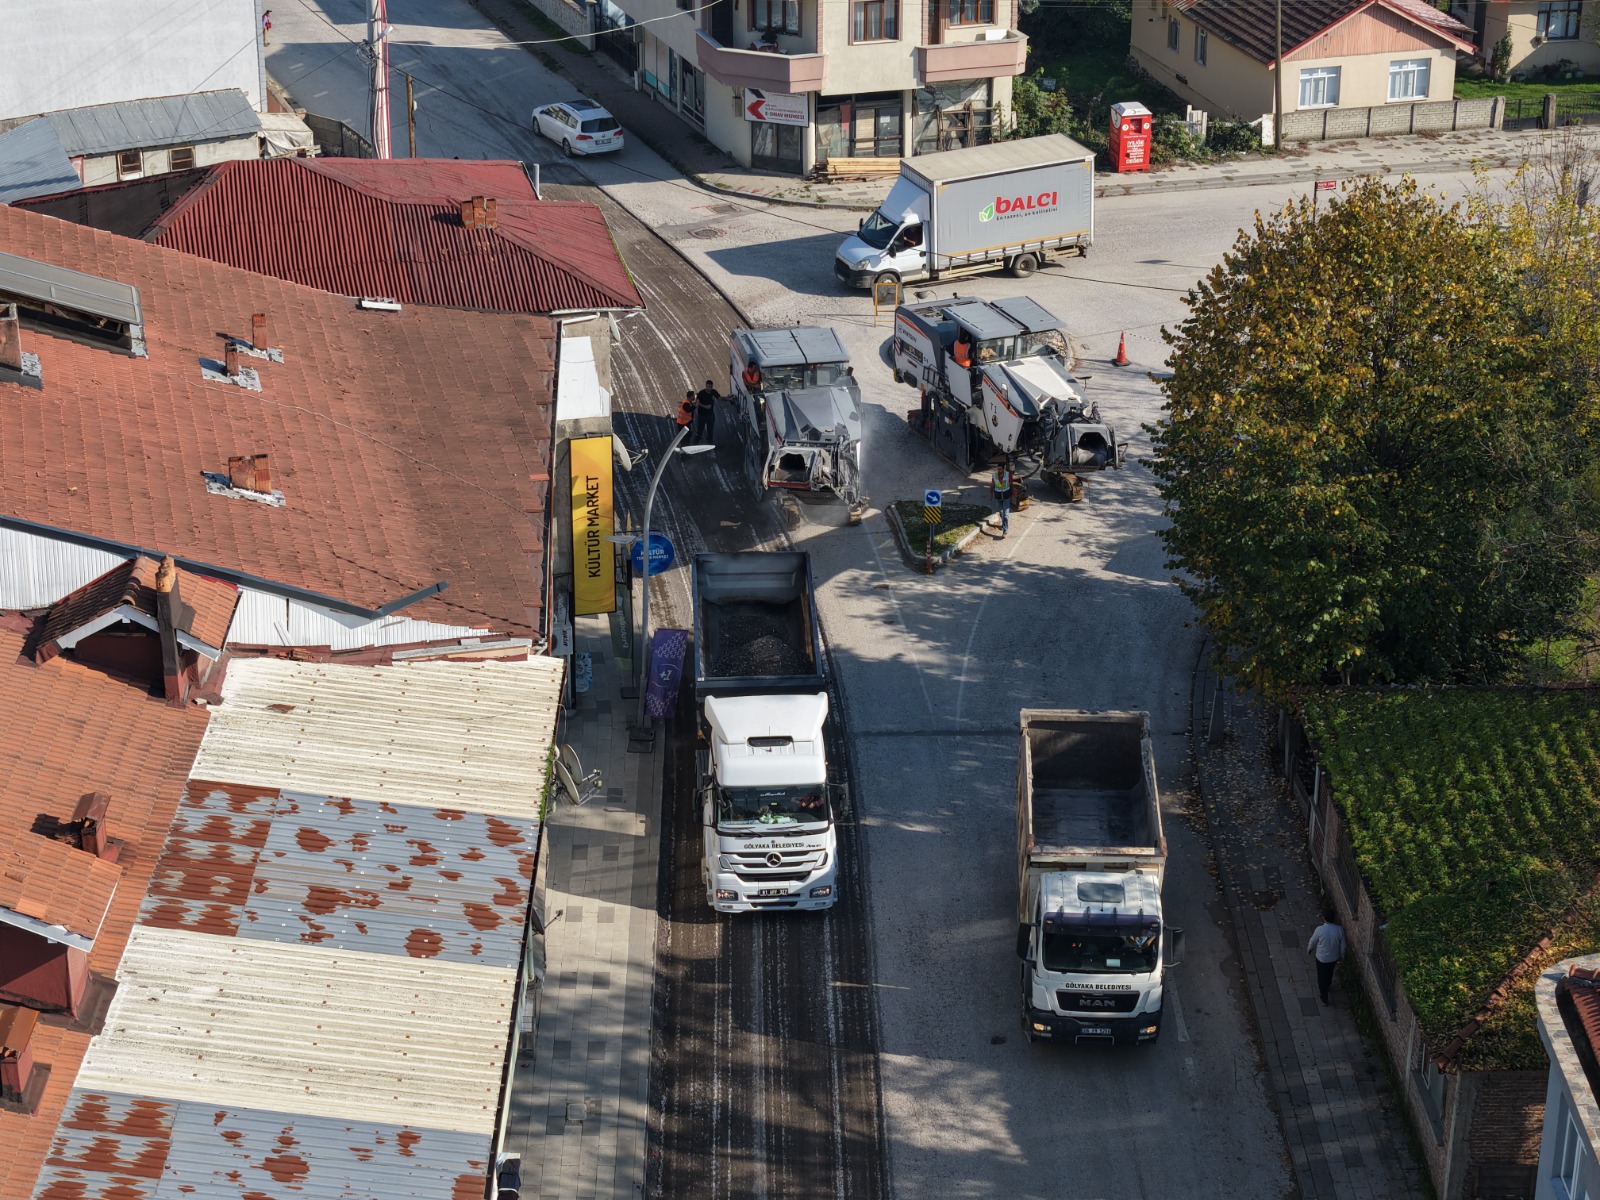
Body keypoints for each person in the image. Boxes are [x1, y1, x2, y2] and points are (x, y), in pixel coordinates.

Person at [1307, 909, 1346, 1006]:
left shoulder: (1320, 929)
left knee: (1321, 978)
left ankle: (1324, 998)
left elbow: (1313, 941)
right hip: (1333, 958)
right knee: (1330, 972)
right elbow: (1343, 946)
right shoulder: (1339, 929)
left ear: (1324, 918)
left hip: (1321, 958)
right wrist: (1342, 955)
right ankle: (1328, 985)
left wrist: (1309, 949)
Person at [991, 462, 1014, 536]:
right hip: (998, 497)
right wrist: (991, 494)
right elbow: (992, 485)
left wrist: (1012, 494)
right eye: (998, 469)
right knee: (1001, 513)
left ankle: (1005, 531)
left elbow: (1011, 484)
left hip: (1006, 496)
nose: (998, 471)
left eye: (1000, 469)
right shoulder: (994, 475)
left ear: (1003, 469)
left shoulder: (1008, 475)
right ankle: (1004, 524)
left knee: (1006, 515)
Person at [695, 379, 718, 445]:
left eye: (711, 387)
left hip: (710, 415)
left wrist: (728, 398)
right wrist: (705, 406)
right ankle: (696, 443)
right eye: (708, 387)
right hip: (702, 415)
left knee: (710, 430)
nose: (710, 388)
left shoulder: (714, 392)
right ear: (706, 386)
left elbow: (719, 397)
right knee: (700, 430)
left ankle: (710, 442)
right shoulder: (701, 393)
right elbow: (697, 402)